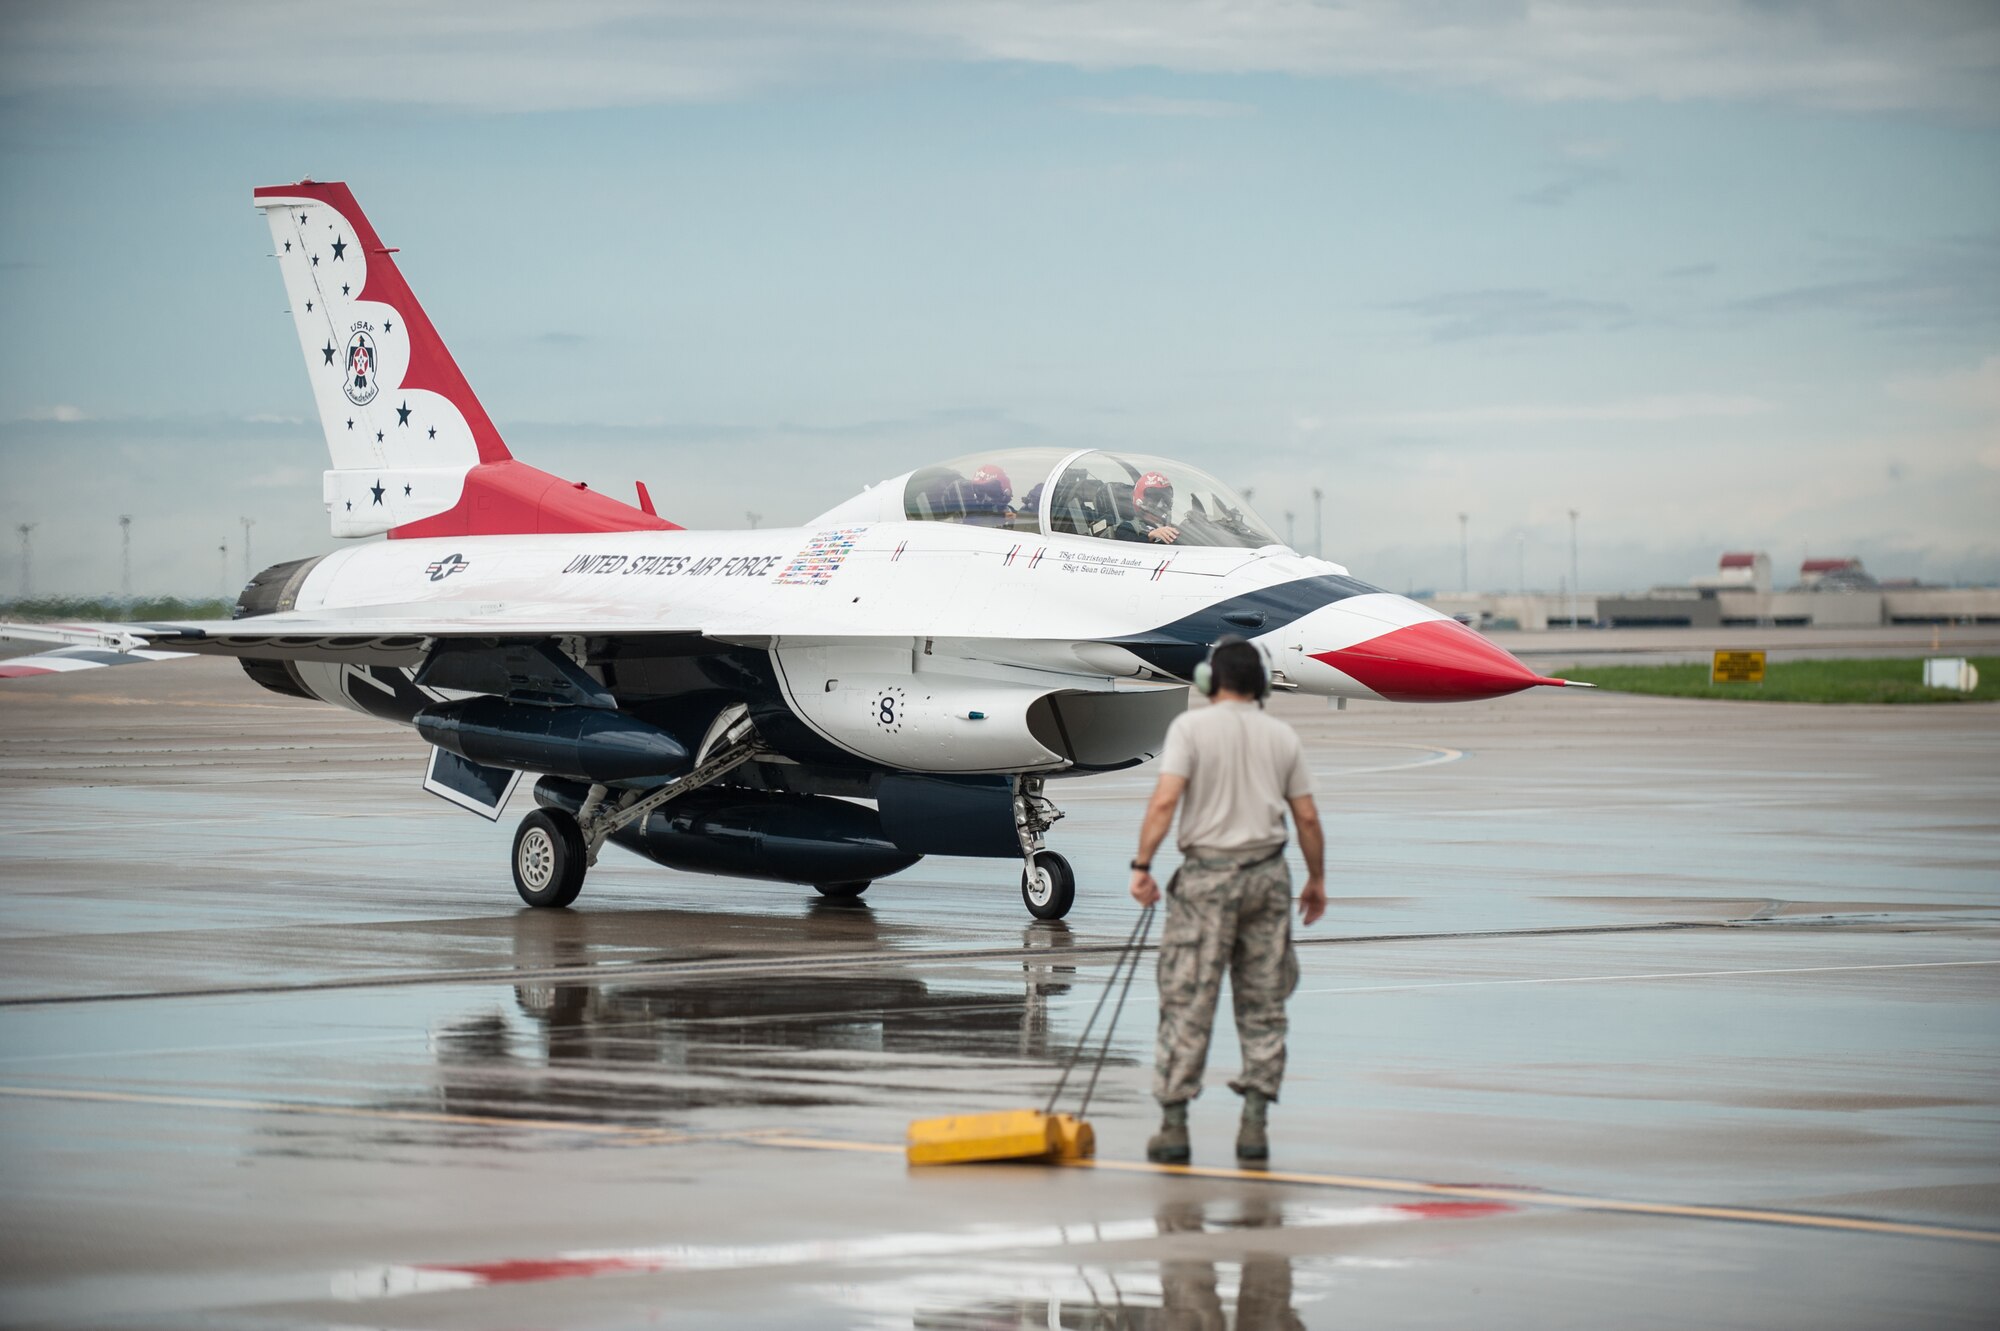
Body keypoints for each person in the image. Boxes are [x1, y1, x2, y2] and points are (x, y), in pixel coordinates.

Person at [1129, 637, 1326, 1164]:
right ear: (1260, 684)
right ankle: (1255, 1125)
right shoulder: (1281, 736)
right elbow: (1306, 816)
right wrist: (1316, 880)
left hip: (1206, 879)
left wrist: (1143, 866)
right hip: (1267, 877)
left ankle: (1173, 1126)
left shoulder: (1190, 729)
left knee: (1188, 996)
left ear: (1207, 682)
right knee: (1264, 999)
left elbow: (1166, 800)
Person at [1129, 471, 1181, 544]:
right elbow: (1127, 543)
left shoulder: (1172, 528)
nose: (1161, 503)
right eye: (1155, 497)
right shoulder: (1129, 527)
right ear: (1140, 501)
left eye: (1165, 498)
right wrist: (1150, 536)